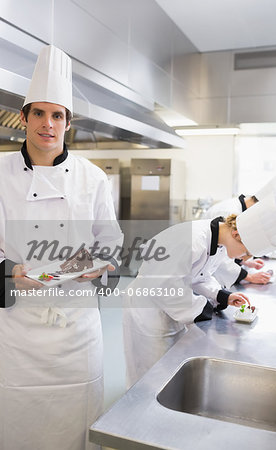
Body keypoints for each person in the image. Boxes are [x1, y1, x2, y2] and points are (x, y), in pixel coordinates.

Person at [0, 45, 123, 450]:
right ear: (24, 117)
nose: (47, 124)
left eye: (57, 115)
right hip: (15, 334)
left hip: (76, 331)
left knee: (76, 427)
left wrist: (100, 265)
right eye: (39, 113)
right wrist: (9, 272)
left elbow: (111, 246)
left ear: (68, 123)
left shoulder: (92, 178)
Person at [123, 195, 276, 387]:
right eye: (246, 251)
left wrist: (221, 295)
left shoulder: (217, 242)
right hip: (149, 312)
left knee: (167, 371)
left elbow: (199, 276)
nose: (244, 257)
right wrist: (203, 309)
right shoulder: (193, 241)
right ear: (237, 235)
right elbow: (165, 286)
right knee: (150, 376)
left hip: (170, 310)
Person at [203, 177, 276, 287]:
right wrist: (249, 277)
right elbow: (221, 259)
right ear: (261, 207)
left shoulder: (241, 212)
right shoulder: (229, 211)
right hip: (205, 276)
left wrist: (245, 261)